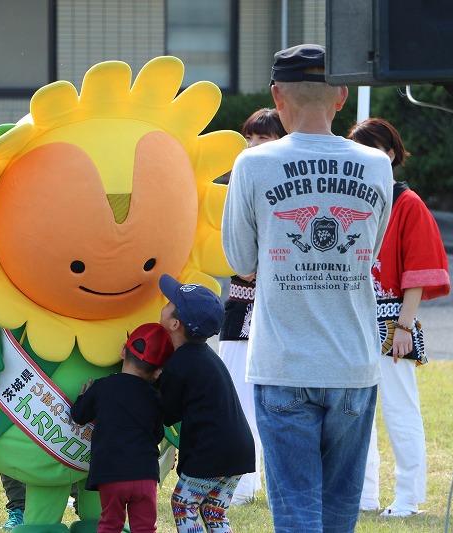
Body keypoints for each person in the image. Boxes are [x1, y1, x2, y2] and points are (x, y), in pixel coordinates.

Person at [222, 44, 394, 533]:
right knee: (339, 513)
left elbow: (239, 261)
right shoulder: (377, 166)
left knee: (296, 513)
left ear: (277, 96)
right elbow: (368, 251)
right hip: (353, 360)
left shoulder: (252, 165)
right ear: (341, 95)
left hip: (283, 360)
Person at [348, 118, 450, 517]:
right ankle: (365, 495)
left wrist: (404, 327)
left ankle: (409, 497)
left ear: (390, 153)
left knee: (399, 410)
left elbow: (419, 274)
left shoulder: (408, 204)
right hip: (353, 320)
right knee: (357, 412)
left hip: (392, 320)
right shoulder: (358, 201)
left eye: (372, 149)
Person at [217, 108, 286, 505]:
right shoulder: (235, 186)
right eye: (250, 139)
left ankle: (251, 483)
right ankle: (242, 484)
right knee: (234, 396)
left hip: (280, 309)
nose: (254, 146)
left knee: (277, 404)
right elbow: (230, 253)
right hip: (241, 307)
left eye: (264, 139)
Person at [157, 274, 255, 532]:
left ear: (175, 323)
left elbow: (166, 414)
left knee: (183, 504)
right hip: (239, 448)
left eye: (168, 303)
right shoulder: (203, 355)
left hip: (212, 451)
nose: (164, 304)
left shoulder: (180, 364)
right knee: (214, 511)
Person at [70, 323, 174, 533]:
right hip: (145, 475)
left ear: (123, 351)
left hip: (111, 475)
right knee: (145, 528)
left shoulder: (102, 387)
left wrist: (82, 397)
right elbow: (157, 434)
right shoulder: (155, 397)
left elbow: (79, 416)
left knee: (110, 524)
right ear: (157, 373)